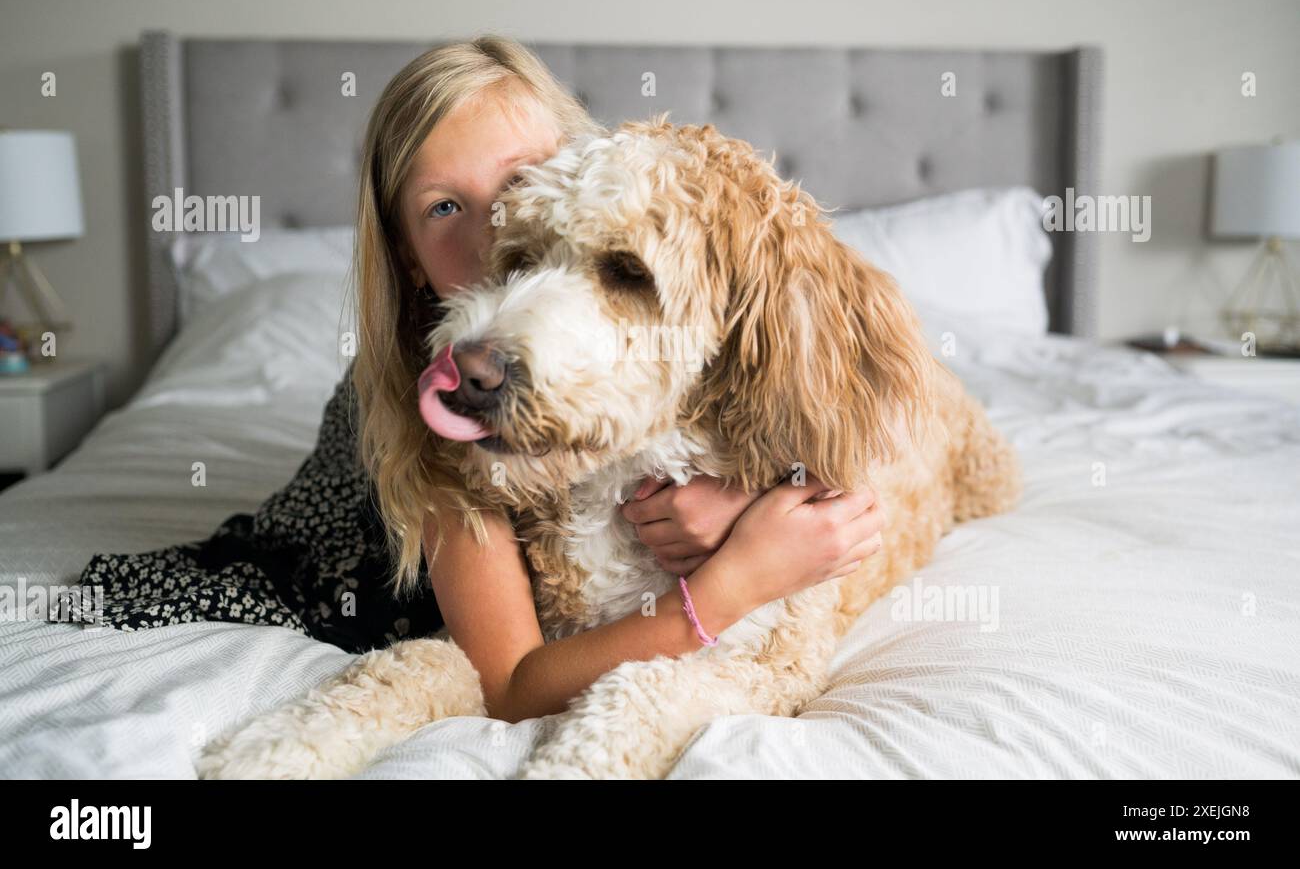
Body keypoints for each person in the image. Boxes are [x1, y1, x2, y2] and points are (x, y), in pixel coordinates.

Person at [67, 36, 886, 725]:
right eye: (445, 208)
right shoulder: (453, 397)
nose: (501, 225)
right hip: (341, 564)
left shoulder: (615, 333)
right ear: (405, 257)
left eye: (522, 182)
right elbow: (513, 685)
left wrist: (740, 498)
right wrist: (732, 579)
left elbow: (799, 432)